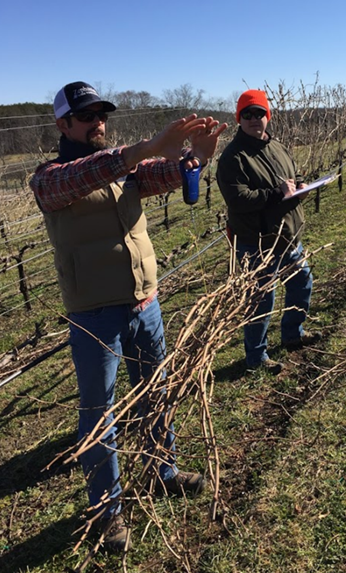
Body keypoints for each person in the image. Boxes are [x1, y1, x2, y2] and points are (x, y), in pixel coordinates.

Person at [30, 81, 227, 551]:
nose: (97, 122)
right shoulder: (51, 178)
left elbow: (164, 175)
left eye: (101, 114)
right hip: (96, 316)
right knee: (101, 416)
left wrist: (192, 159)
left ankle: (165, 470)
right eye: (86, 117)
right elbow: (87, 175)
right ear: (63, 125)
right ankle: (107, 509)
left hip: (146, 303)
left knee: (154, 393)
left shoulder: (126, 172)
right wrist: (144, 147)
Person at [216, 89, 319, 375]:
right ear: (239, 118)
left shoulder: (279, 147)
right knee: (260, 302)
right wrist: (277, 194)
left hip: (288, 237)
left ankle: (292, 333)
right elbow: (238, 200)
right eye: (247, 114)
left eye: (259, 113)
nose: (253, 119)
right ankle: (256, 358)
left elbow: (293, 178)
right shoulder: (232, 158)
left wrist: (300, 189)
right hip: (257, 242)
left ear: (267, 116)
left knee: (302, 285)